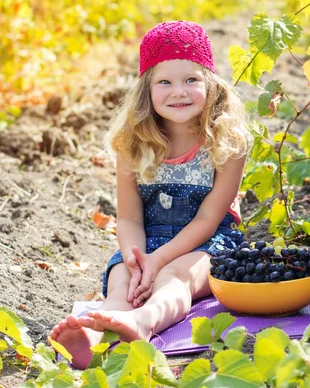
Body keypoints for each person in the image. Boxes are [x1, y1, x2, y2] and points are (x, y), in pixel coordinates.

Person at [49, 21, 251, 369]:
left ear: (211, 84)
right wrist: (136, 259)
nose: (179, 91)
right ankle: (92, 337)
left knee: (175, 279)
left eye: (191, 80)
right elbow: (128, 218)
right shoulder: (133, 145)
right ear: (146, 89)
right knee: (122, 283)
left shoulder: (227, 142)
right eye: (165, 82)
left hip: (207, 244)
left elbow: (208, 217)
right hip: (146, 244)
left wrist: (159, 263)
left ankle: (143, 323)